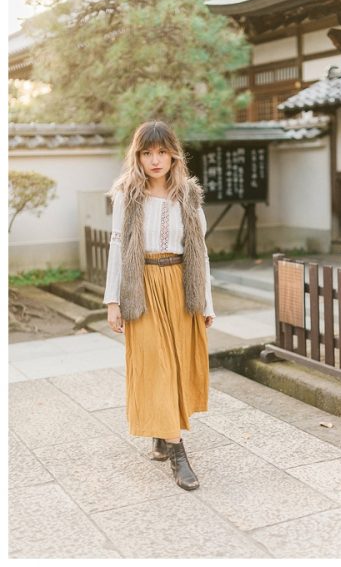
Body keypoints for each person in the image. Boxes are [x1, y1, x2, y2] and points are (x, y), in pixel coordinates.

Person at [104, 120, 215, 491]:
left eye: (162, 152)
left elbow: (201, 251)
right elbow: (117, 247)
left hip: (180, 287)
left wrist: (207, 302)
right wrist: (112, 301)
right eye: (147, 153)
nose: (155, 160)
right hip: (143, 286)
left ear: (173, 155)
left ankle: (160, 433)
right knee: (157, 365)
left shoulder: (188, 195)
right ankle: (178, 451)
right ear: (138, 156)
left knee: (177, 365)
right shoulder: (127, 195)